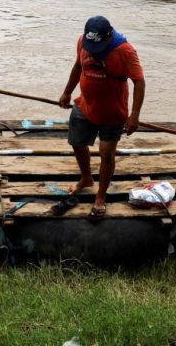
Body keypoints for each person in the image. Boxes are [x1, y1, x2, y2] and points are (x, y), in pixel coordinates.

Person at [58, 16, 145, 221]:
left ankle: (100, 196)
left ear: (108, 37)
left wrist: (135, 115)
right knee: (77, 143)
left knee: (106, 153)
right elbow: (78, 67)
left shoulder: (125, 51)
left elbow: (139, 82)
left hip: (113, 112)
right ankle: (86, 179)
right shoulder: (82, 41)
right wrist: (67, 92)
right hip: (85, 104)